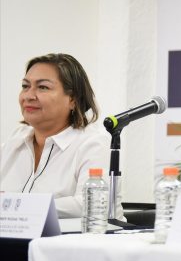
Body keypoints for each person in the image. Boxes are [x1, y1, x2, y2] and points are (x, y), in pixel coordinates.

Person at [1, 53, 122, 219]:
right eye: (25, 86)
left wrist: (17, 205)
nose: (29, 96)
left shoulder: (93, 143)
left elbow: (91, 204)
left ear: (72, 99)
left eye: (43, 87)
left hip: (74, 242)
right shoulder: (16, 139)